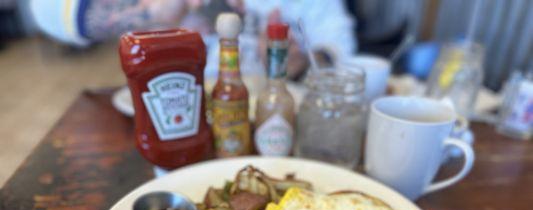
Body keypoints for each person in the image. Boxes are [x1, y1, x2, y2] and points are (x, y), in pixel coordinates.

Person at [30, 0, 356, 80]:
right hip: (169, 114)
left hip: (272, 114)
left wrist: (305, 62)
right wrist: (154, 10)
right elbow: (49, 12)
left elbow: (339, 42)